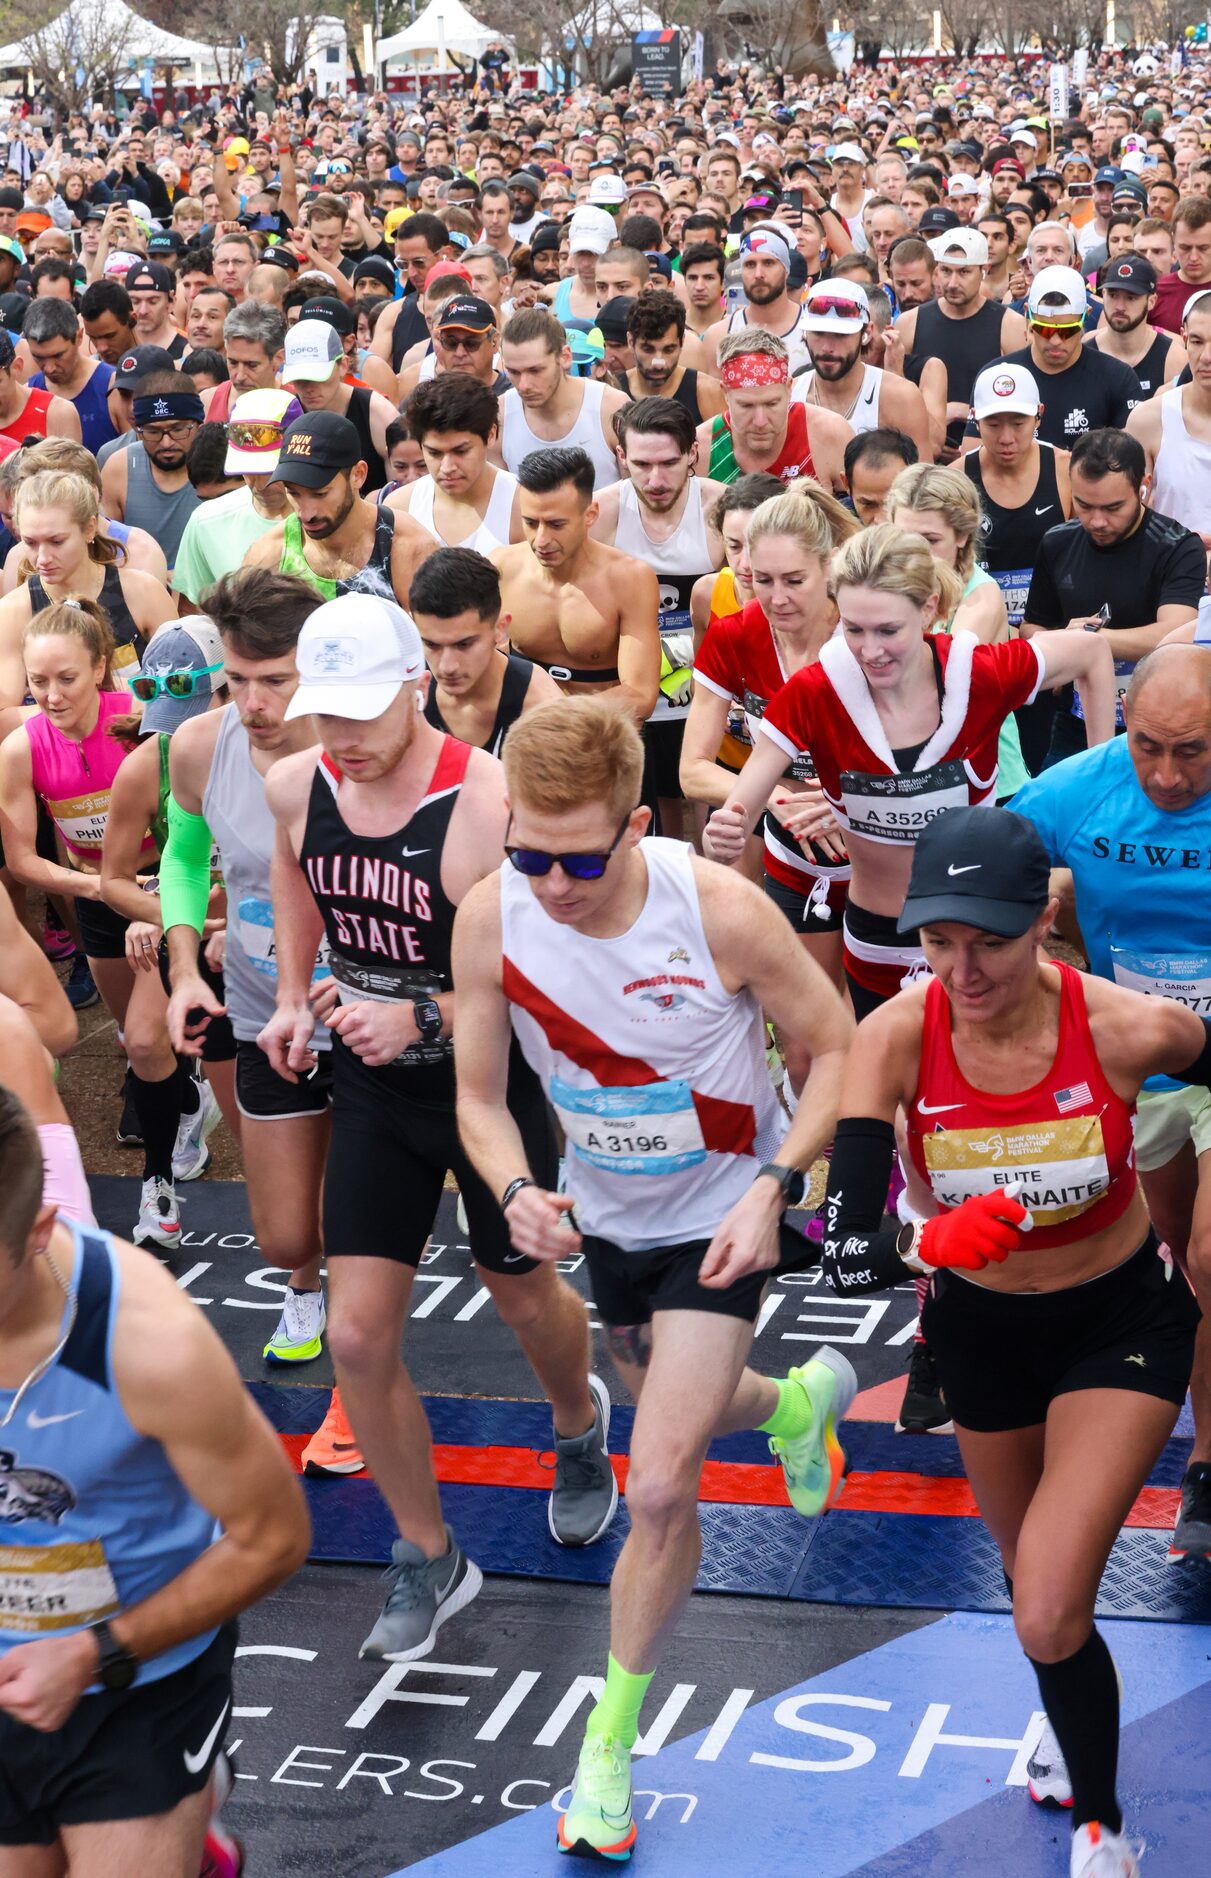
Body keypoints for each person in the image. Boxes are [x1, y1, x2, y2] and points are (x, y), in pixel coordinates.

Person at [452, 694, 856, 1861]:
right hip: (606, 1226)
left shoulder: (717, 909)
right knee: (655, 1400)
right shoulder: (491, 917)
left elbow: (833, 1047)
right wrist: (515, 1187)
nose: (554, 882)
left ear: (635, 824)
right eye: (528, 851)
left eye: (578, 856)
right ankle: (796, 1404)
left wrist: (774, 1184)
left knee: (662, 1482)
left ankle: (605, 1750)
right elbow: (479, 1100)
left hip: (721, 1219)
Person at [820, 803, 1211, 1878]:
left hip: (1118, 1327)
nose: (960, 968)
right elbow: (846, 1253)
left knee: (1041, 1603)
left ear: (1040, 920)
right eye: (937, 941)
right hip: (979, 1336)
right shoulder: (894, 1035)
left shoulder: (1125, 1028)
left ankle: (1099, 1826)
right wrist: (923, 1237)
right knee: (1036, 1586)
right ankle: (1063, 1689)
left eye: (985, 940)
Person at [259, 595, 618, 1660]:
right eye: (325, 716)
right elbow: (292, 867)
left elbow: (544, 980)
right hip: (375, 1092)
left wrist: (417, 1010)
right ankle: (427, 1553)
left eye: (363, 715)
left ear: (418, 687)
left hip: (487, 1086)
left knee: (521, 1293)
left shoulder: (482, 804)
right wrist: (292, 990)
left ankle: (577, 1424)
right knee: (358, 1334)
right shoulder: (297, 783)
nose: (343, 742)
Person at [0, 1085, 309, 1874]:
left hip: (137, 1680)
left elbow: (273, 1539)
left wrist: (96, 1652)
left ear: (38, 1233)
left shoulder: (149, 1342)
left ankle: (186, 1822)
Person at [704, 523, 1115, 1019]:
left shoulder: (977, 675)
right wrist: (726, 830)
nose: (870, 651)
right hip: (879, 934)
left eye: (888, 630)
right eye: (854, 629)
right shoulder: (818, 691)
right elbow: (743, 801)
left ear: (928, 609)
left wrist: (1104, 777)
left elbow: (1092, 651)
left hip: (978, 928)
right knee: (893, 1089)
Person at [1011, 645, 1211, 1565]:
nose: (1166, 775)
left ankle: (1204, 1467)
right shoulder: (1082, 785)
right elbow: (984, 866)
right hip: (1144, 1064)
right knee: (1188, 1267)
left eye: (1194, 752)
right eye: (1148, 748)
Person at [685, 487, 860, 1037]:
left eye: (794, 581)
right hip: (796, 842)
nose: (776, 598)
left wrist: (845, 807)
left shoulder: (864, 630)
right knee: (807, 1017)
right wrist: (777, 799)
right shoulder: (735, 635)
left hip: (877, 833)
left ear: (827, 566)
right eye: (762, 580)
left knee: (880, 1010)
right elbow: (692, 768)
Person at [98, 618, 230, 1249]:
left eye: (191, 715)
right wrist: (156, 910)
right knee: (146, 1044)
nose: (178, 737)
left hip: (269, 928)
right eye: (166, 719)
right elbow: (114, 881)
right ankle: (158, 1184)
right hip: (187, 923)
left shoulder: (275, 747)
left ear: (227, 693)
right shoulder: (143, 767)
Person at [0, 598, 156, 1048]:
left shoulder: (140, 717)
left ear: (98, 666)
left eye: (67, 679)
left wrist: (157, 890)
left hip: (163, 881)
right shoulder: (20, 749)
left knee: (155, 1037)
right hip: (94, 893)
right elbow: (21, 861)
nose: (52, 696)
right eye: (38, 681)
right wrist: (98, 888)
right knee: (130, 1033)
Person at [1022, 427, 1205, 763]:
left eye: (1112, 507)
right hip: (1074, 724)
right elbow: (1032, 628)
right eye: (1084, 505)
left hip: (1157, 727)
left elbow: (1175, 635)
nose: (1097, 521)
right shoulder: (1057, 543)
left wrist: (1085, 643)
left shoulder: (1177, 547)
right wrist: (1061, 641)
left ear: (1143, 487)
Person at [591, 397, 724, 833]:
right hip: (632, 686)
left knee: (703, 819)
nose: (656, 479)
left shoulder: (721, 510)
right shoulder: (601, 513)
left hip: (707, 690)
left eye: (669, 463)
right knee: (643, 819)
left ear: (693, 454)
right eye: (642, 464)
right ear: (621, 457)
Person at [490, 445, 660, 722]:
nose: (541, 540)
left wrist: (556, 716)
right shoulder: (501, 568)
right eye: (531, 523)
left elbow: (641, 695)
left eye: (556, 524)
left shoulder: (630, 580)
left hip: (601, 738)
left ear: (590, 515)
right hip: (527, 736)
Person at [0, 470, 174, 704]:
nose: (42, 558)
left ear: (90, 528)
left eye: (57, 541)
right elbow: (5, 716)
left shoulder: (142, 592)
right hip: (52, 740)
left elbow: (183, 688)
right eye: (30, 543)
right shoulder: (13, 611)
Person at [243, 410, 431, 609]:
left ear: (358, 475)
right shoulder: (269, 555)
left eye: (320, 493)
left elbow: (445, 635)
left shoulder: (407, 547)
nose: (305, 514)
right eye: (294, 493)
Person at [413, 544, 560, 753]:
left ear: (500, 629)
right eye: (431, 645)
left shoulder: (541, 709)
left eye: (464, 645)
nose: (447, 666)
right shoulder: (402, 693)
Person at [893, 230, 1027, 458]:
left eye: (964, 272)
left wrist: (969, 416)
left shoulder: (1010, 324)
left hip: (989, 455)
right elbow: (896, 395)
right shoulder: (909, 322)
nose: (953, 283)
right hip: (925, 456)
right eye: (946, 271)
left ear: (984, 270)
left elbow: (1024, 399)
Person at [173, 388, 300, 608]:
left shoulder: (329, 519)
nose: (259, 485)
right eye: (247, 470)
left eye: (271, 470)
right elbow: (192, 614)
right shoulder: (205, 521)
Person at [1001, 265, 1141, 449]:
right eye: (1044, 329)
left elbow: (1131, 461)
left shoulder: (1118, 378)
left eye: (1068, 330)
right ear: (1027, 314)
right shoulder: (1001, 377)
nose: (1056, 340)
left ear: (1087, 316)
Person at [697, 327, 852, 493]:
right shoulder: (701, 448)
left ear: (789, 388)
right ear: (725, 393)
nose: (760, 421)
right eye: (746, 406)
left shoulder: (830, 434)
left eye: (771, 404)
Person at [794, 279, 932, 462]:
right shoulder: (790, 395)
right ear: (805, 333)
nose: (827, 347)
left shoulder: (899, 397)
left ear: (866, 333)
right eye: (818, 333)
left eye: (841, 335)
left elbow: (924, 481)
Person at [497, 308, 628, 492]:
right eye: (514, 372)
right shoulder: (500, 415)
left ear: (565, 357)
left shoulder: (611, 407)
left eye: (535, 370)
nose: (524, 385)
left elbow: (636, 498)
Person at [390, 373, 521, 551]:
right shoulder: (399, 508)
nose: (447, 467)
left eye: (461, 451)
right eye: (434, 453)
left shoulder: (524, 506)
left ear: (491, 435)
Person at [1126, 285, 1211, 542]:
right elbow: (1127, 513)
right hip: (1169, 573)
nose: (1207, 356)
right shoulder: (1149, 419)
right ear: (1183, 338)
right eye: (1197, 342)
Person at [101, 369, 202, 574]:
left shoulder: (222, 465)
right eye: (153, 432)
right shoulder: (119, 468)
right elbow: (106, 552)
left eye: (177, 430)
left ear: (198, 424)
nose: (166, 442)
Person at [281, 317, 398, 493]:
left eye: (317, 376)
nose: (308, 388)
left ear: (343, 365)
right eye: (299, 379)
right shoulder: (285, 413)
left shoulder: (379, 414)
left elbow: (401, 489)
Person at [704, 227, 813, 376]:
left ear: (786, 270)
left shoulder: (814, 328)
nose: (758, 274)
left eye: (768, 263)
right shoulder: (718, 335)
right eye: (750, 265)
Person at [23, 297, 118, 455]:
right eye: (39, 357)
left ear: (79, 337)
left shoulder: (113, 388)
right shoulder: (28, 394)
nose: (49, 368)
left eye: (58, 355)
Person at [621, 289, 724, 424]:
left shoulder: (709, 392)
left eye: (668, 350)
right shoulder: (613, 390)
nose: (658, 363)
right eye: (648, 349)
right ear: (630, 342)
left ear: (681, 342)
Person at [1088, 253, 1186, 395]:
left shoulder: (1173, 358)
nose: (1120, 306)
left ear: (1151, 301)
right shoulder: (1086, 349)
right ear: (1103, 294)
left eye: (1131, 297)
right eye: (1113, 295)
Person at [200, 300, 286, 425]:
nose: (240, 376)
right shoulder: (207, 403)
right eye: (233, 363)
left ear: (278, 359)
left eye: (251, 365)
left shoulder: (296, 405)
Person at [1150, 193, 1211, 332]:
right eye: (1185, 248)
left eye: (1203, 248)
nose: (1194, 257)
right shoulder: (1155, 294)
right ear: (1173, 241)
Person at [844, 426, 918, 526]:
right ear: (847, 484)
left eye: (894, 503)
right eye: (868, 504)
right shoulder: (832, 529)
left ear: (917, 482)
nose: (882, 520)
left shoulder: (936, 518)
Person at [125, 258, 186, 359]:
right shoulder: (116, 349)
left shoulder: (187, 353)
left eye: (152, 301)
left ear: (171, 302)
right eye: (135, 301)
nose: (143, 311)